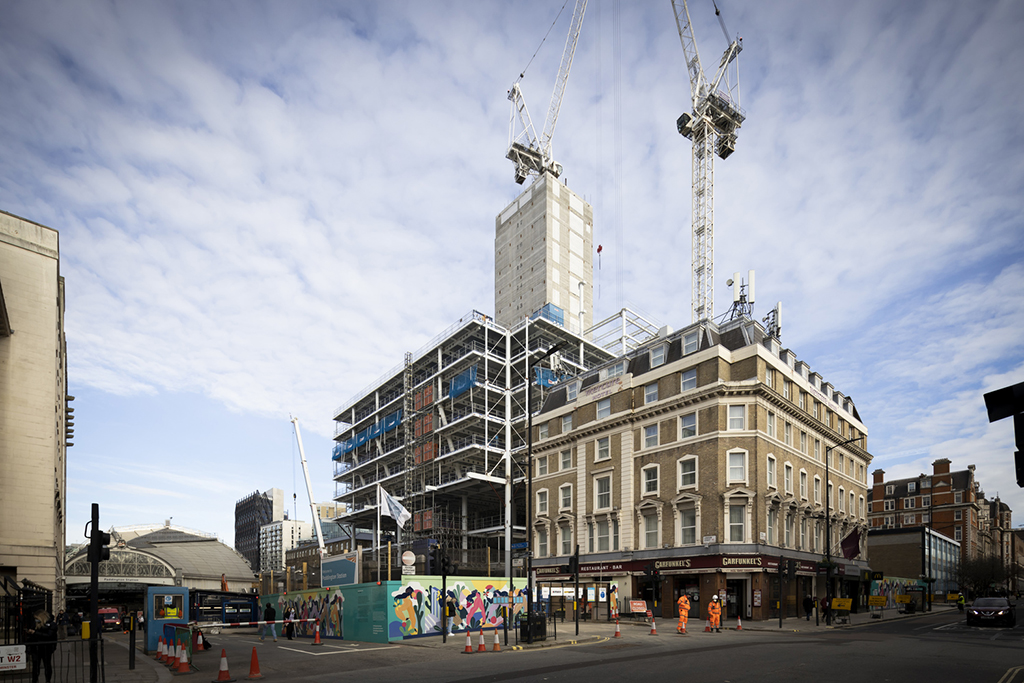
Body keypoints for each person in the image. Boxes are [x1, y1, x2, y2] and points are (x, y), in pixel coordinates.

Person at [25, 609, 58, 683]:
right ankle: (35, 680)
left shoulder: (52, 625)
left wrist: (35, 633)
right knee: (36, 666)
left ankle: (48, 680)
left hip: (46, 648)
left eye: (37, 618)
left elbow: (49, 635)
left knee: (47, 665)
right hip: (36, 648)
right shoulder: (36, 624)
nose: (35, 620)